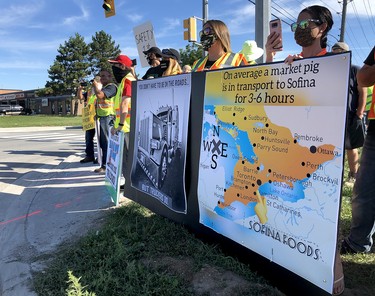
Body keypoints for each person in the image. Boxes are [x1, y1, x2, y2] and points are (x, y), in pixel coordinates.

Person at [266, 6, 344, 296]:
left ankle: (333, 284)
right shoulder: (292, 63)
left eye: (305, 23)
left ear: (322, 28)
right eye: (295, 24)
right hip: (290, 156)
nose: (299, 28)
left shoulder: (335, 65)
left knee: (321, 220)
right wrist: (273, 61)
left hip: (321, 162)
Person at [341, 46, 375, 257]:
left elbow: (361, 90)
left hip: (357, 117)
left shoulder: (351, 66)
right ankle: (358, 242)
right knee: (364, 188)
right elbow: (364, 79)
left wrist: (359, 112)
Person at [331, 42, 367, 184]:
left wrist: (359, 113)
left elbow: (362, 92)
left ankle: (353, 175)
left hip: (350, 115)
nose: (336, 54)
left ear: (346, 53)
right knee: (332, 148)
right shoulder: (330, 71)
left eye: (339, 51)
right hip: (333, 116)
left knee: (350, 146)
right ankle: (333, 175)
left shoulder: (355, 69)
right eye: (333, 52)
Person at [108, 54, 136, 185]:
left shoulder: (128, 80)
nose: (113, 68)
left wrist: (119, 125)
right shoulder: (124, 80)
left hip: (127, 126)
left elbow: (125, 104)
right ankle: (129, 182)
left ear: (122, 66)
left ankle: (132, 183)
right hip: (124, 126)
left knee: (129, 157)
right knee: (125, 158)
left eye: (115, 65)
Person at [92, 69, 117, 173]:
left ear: (110, 76)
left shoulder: (111, 87)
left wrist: (94, 86)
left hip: (108, 117)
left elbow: (100, 96)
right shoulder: (105, 87)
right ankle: (105, 164)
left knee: (106, 143)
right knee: (103, 143)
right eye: (101, 76)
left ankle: (106, 166)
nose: (102, 78)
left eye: (104, 76)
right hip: (103, 117)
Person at [77, 82, 101, 164]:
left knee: (101, 139)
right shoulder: (90, 92)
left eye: (95, 83)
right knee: (88, 138)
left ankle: (100, 157)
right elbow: (80, 97)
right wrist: (80, 90)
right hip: (90, 119)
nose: (93, 85)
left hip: (99, 118)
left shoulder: (102, 90)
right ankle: (89, 156)